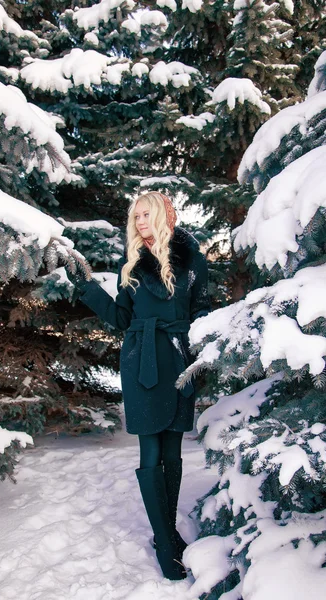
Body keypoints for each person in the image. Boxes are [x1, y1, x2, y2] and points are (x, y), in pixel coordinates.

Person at [68, 192, 210, 580]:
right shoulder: (129, 264)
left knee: (173, 451)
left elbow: (203, 309)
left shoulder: (190, 258)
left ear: (164, 215)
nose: (140, 221)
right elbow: (120, 316)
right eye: (136, 215)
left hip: (179, 359)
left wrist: (202, 352)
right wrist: (87, 288)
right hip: (142, 360)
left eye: (147, 214)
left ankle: (169, 531)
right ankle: (165, 543)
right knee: (150, 450)